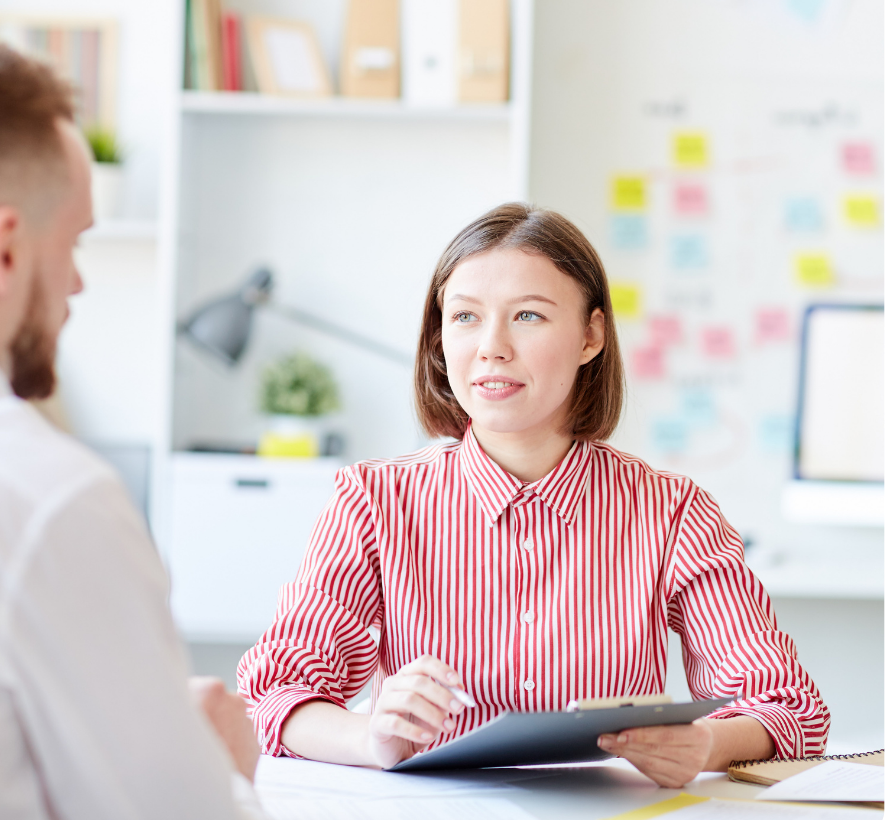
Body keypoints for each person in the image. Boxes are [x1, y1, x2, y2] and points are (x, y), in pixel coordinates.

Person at [238, 203, 830, 788]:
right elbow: (274, 692)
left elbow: (788, 707)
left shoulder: (671, 511)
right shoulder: (374, 500)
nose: (491, 347)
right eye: (465, 317)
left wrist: (705, 745)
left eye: (527, 316)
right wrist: (369, 738)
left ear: (591, 334)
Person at [0, 43, 278, 820]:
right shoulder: (47, 495)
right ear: (3, 247)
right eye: (73, 242)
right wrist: (220, 765)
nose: (77, 282)